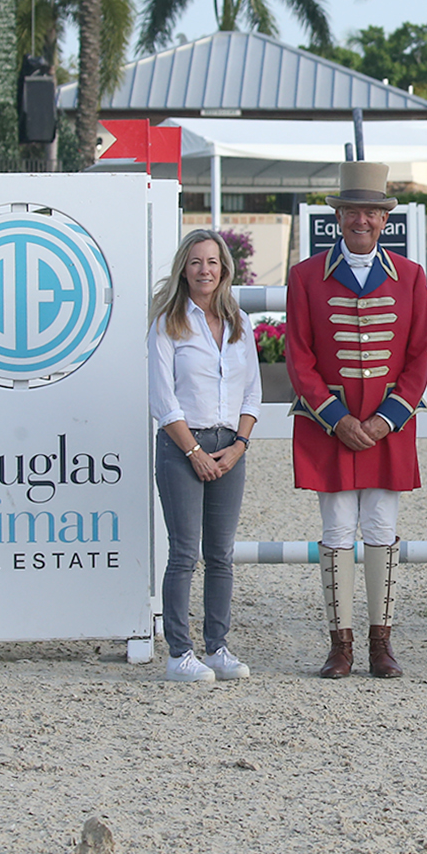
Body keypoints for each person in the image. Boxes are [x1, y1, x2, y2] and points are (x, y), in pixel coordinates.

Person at [287, 162, 427, 679]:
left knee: (381, 528)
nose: (362, 220)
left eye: (371, 211)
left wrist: (385, 420)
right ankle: (339, 645)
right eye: (353, 211)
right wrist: (335, 417)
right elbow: (298, 357)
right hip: (331, 427)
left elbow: (419, 360)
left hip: (386, 429)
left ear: (385, 219)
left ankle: (381, 644)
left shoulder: (411, 277)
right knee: (335, 529)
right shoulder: (305, 276)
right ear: (339, 216)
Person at [147, 229, 261, 682]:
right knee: (183, 553)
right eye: (196, 262)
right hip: (182, 447)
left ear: (224, 268)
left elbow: (252, 390)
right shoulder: (168, 323)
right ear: (184, 269)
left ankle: (216, 647)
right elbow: (162, 398)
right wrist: (194, 452)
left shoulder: (239, 323)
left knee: (221, 553)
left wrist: (238, 446)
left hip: (230, 446)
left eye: (212, 262)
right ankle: (179, 653)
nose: (204, 270)